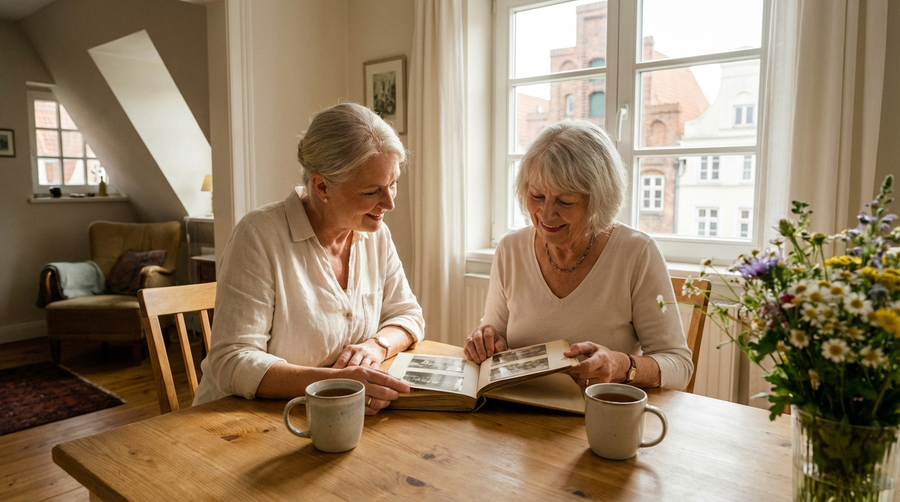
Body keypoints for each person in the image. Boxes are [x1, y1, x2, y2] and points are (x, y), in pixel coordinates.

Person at [193, 103, 423, 414]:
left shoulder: (375, 234)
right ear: (322, 186)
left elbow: (408, 316)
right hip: (234, 422)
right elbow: (232, 360)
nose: (389, 203)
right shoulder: (258, 235)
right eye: (372, 191)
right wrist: (336, 382)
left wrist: (375, 346)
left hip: (328, 413)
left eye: (393, 183)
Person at [463, 120, 692, 391]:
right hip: (519, 414)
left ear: (599, 200)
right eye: (536, 196)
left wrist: (621, 366)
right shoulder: (510, 249)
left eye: (565, 201)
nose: (546, 214)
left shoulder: (636, 253)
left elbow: (679, 366)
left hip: (601, 417)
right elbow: (496, 333)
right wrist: (487, 341)